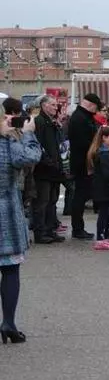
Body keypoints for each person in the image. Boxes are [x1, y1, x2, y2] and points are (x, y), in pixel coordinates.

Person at [0, 110, 41, 344]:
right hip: (6, 211)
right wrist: (27, 134)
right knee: (10, 270)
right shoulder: (9, 143)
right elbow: (31, 157)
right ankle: (8, 322)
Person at [67, 93, 103, 240]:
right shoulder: (80, 119)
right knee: (80, 196)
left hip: (83, 161)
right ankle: (77, 228)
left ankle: (78, 227)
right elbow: (84, 142)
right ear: (91, 105)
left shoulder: (81, 116)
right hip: (82, 163)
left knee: (81, 195)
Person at [32, 95, 64, 245]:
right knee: (42, 201)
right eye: (52, 104)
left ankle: (50, 229)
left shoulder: (52, 123)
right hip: (43, 169)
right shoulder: (39, 122)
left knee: (52, 200)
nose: (55, 107)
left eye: (55, 105)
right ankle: (41, 232)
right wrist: (48, 161)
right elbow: (38, 144)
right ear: (44, 106)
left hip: (54, 168)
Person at [88, 126, 109, 249]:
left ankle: (105, 236)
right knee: (105, 214)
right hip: (105, 189)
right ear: (104, 138)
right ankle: (101, 238)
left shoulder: (103, 153)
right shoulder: (104, 154)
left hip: (104, 189)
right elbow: (108, 174)